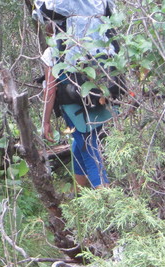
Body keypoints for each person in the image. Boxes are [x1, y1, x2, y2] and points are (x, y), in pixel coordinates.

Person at [40, 21, 112, 189]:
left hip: (74, 111)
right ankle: (78, 193)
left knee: (90, 154)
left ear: (52, 32)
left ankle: (107, 205)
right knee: (81, 145)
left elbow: (50, 90)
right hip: (98, 105)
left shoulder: (52, 52)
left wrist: (46, 121)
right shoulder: (90, 43)